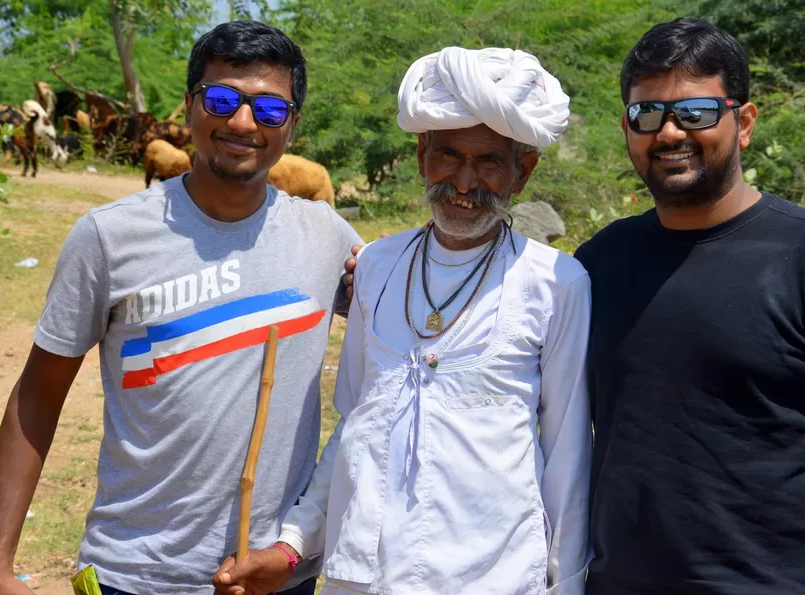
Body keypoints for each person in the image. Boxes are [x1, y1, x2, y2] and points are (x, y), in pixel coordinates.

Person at [0, 21, 363, 595]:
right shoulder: (109, 237)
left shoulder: (326, 236)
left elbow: (408, 323)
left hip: (272, 576)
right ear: (189, 107)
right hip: (134, 573)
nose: (241, 123)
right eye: (221, 99)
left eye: (269, 110)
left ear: (291, 126)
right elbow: (37, 397)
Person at [575, 17, 805, 595]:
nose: (669, 133)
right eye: (647, 115)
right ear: (627, 127)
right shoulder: (598, 263)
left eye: (694, 112)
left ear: (742, 123)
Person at [213, 46, 593, 595]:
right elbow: (356, 425)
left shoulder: (556, 283)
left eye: (488, 161)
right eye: (448, 156)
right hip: (362, 576)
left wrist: (568, 585)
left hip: (496, 579)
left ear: (523, 171)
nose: (464, 183)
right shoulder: (375, 267)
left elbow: (567, 460)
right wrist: (295, 543)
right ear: (421, 154)